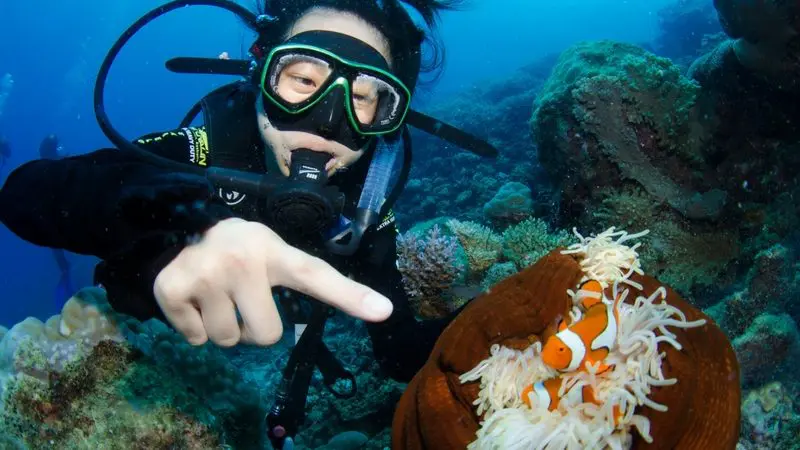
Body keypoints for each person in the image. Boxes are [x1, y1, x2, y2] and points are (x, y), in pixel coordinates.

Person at [0, 0, 495, 446]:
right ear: (261, 75)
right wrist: (193, 217)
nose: (326, 121)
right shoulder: (205, 152)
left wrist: (509, 315)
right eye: (303, 80)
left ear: (388, 117)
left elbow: (399, 352)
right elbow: (27, 192)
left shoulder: (364, 211)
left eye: (364, 98)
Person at [38, 134, 76, 307]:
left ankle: (66, 271)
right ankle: (66, 272)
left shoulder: (53, 167)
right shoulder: (53, 169)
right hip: (57, 219)